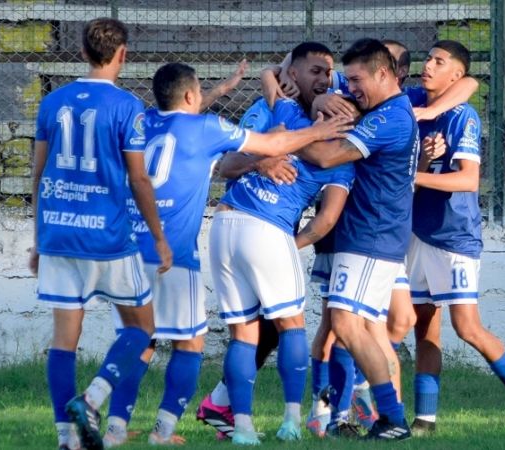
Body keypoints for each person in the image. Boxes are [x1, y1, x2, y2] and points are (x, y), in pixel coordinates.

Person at [102, 60, 351, 447]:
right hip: (186, 249)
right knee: (276, 328)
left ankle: (121, 427)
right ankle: (284, 421)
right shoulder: (337, 158)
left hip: (182, 234)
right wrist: (318, 132)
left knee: (155, 339)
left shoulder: (147, 120)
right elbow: (325, 215)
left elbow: (253, 91)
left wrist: (228, 88)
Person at [28, 17, 173, 450]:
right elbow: (139, 180)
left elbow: (36, 176)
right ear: (123, 54)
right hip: (108, 238)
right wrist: (159, 238)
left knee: (63, 340)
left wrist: (39, 238)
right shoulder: (128, 106)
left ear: (82, 52)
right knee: (142, 329)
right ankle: (91, 399)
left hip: (59, 236)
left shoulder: (52, 102)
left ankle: (66, 440)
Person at [408, 40, 505, 435]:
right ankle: (425, 421)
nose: (428, 66)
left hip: (454, 236)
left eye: (439, 62)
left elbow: (468, 179)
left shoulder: (463, 117)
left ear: (455, 74)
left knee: (467, 327)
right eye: (428, 58)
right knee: (423, 327)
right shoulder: (413, 98)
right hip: (418, 232)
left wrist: (413, 176)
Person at [295, 37, 419, 440]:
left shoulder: (392, 118)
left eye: (356, 79)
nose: (350, 89)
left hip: (370, 235)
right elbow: (309, 91)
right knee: (363, 327)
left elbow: (329, 157)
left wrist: (290, 138)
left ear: (384, 74)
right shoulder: (383, 108)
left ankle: (390, 416)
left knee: (346, 325)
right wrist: (318, 106)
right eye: (346, 81)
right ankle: (387, 416)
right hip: (373, 235)